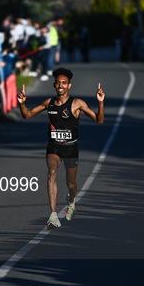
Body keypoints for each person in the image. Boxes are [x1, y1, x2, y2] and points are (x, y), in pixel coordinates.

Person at [17, 67, 105, 229]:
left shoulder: (77, 103)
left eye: (64, 83)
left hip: (71, 148)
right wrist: (22, 104)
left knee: (71, 184)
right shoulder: (48, 103)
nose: (61, 86)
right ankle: (53, 214)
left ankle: (71, 201)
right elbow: (27, 115)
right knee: (51, 172)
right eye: (58, 83)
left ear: (69, 86)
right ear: (54, 85)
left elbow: (99, 120)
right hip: (54, 147)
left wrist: (100, 102)